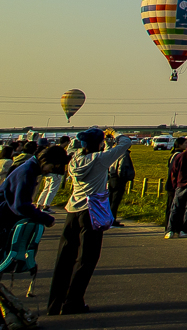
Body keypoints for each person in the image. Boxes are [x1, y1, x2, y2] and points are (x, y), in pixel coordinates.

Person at [47, 128, 131, 316]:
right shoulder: (100, 159)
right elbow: (125, 143)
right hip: (91, 211)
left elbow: (72, 147)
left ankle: (54, 303)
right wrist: (114, 133)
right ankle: (73, 301)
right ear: (99, 143)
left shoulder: (74, 159)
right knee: (87, 258)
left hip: (72, 210)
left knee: (65, 258)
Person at [36, 136, 72, 213]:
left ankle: (39, 204)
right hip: (57, 173)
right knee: (52, 190)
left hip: (48, 172)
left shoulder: (52, 149)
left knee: (45, 189)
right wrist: (70, 156)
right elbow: (65, 161)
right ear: (66, 142)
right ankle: (46, 206)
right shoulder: (61, 151)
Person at [107, 140, 135, 227]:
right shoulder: (124, 154)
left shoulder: (113, 152)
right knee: (115, 200)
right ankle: (112, 220)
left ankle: (108, 219)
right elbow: (121, 167)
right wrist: (123, 178)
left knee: (110, 199)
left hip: (111, 177)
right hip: (118, 179)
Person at [164, 137, 187, 235]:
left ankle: (169, 227)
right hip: (174, 184)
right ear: (180, 144)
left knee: (171, 207)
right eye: (185, 143)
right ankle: (173, 227)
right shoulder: (179, 156)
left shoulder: (173, 155)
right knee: (175, 207)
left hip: (171, 184)